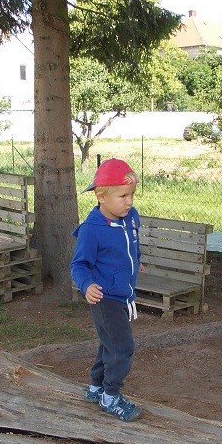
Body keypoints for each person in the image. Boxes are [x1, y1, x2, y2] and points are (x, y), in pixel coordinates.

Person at [71, 158, 144, 422]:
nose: (129, 201)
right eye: (123, 196)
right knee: (122, 348)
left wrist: (136, 261)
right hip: (105, 297)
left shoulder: (130, 218)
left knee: (108, 343)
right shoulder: (92, 230)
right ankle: (110, 396)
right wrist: (86, 284)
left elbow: (132, 244)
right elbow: (79, 264)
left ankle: (96, 386)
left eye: (132, 194)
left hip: (124, 294)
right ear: (101, 196)